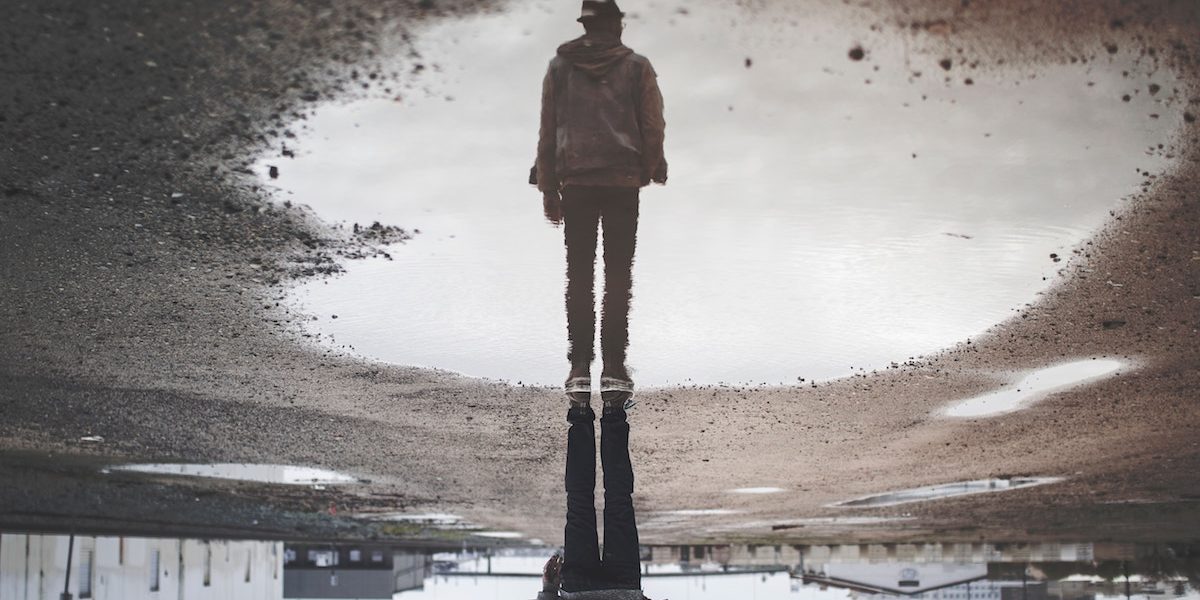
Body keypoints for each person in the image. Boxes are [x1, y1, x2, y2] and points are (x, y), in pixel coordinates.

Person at [533, 0, 667, 404]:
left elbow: (548, 126)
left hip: (575, 182)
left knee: (578, 274)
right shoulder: (637, 66)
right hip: (622, 181)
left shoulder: (559, 67)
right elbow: (652, 123)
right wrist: (651, 166)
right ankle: (613, 368)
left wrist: (547, 186)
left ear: (586, 26)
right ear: (615, 26)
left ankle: (578, 369)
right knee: (618, 274)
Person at [535, 401, 649, 600]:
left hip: (624, 589)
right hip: (578, 588)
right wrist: (548, 591)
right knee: (579, 502)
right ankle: (580, 410)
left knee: (619, 499)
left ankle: (614, 410)